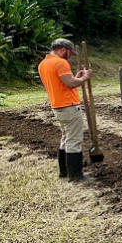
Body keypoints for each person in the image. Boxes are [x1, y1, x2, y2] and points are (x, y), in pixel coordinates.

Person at [38, 38, 93, 182]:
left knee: (65, 138)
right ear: (63, 50)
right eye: (70, 53)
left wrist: (76, 78)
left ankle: (64, 172)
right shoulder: (60, 62)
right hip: (69, 106)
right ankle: (75, 176)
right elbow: (70, 84)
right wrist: (85, 78)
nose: (70, 56)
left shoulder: (43, 64)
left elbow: (62, 83)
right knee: (74, 140)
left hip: (57, 106)